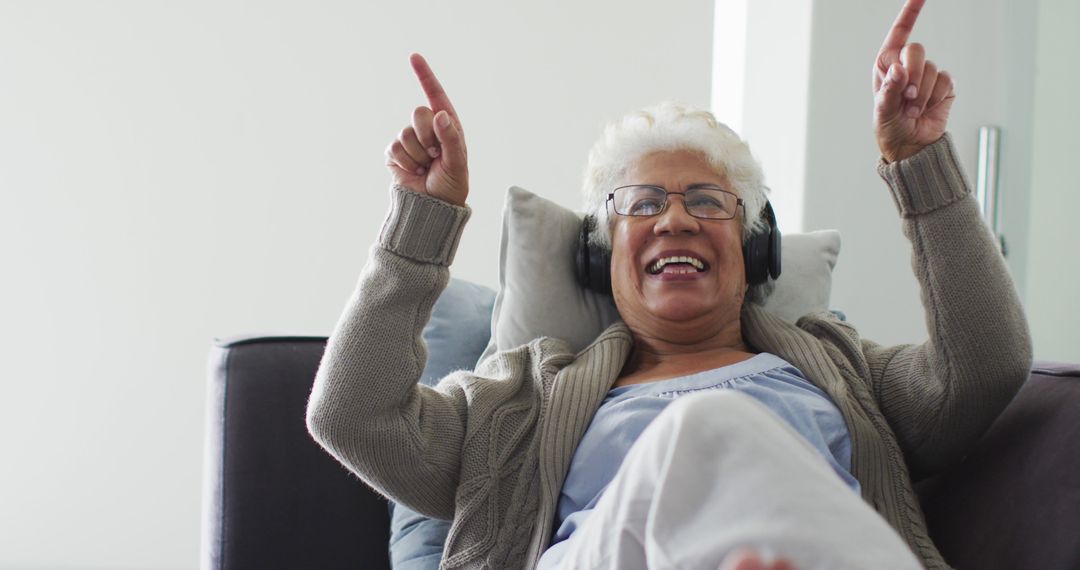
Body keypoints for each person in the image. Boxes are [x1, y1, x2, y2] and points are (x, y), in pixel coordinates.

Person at [305, 1, 1031, 568]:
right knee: (706, 427)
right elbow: (352, 418)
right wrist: (423, 216)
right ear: (603, 257)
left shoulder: (840, 369)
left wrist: (922, 162)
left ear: (752, 255)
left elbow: (985, 365)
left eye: (708, 202)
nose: (676, 220)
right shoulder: (525, 395)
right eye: (643, 205)